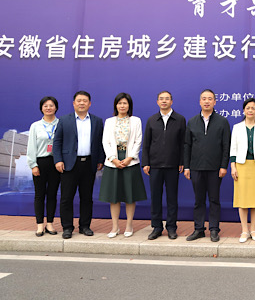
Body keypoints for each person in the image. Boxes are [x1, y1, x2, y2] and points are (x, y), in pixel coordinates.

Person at [53, 90, 105, 239]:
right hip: (69, 164)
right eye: (79, 100)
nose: (82, 103)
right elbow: (57, 142)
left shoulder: (97, 121)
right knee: (66, 198)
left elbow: (100, 142)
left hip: (89, 163)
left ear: (90, 103)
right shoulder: (64, 120)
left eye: (85, 101)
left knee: (87, 197)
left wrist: (100, 159)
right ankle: (67, 227)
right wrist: (58, 160)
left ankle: (85, 226)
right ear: (74, 103)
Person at [184, 89, 231, 242]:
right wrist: (187, 166)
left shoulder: (222, 121)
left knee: (214, 200)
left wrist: (224, 166)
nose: (206, 101)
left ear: (215, 102)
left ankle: (214, 229)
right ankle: (198, 229)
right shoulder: (192, 122)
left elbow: (226, 146)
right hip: (196, 167)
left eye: (210, 99)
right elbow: (187, 145)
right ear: (200, 102)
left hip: (215, 168)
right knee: (198, 200)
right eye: (204, 99)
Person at [99, 93, 146, 238]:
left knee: (130, 195)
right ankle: (115, 227)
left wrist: (130, 158)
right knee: (114, 196)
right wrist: (113, 159)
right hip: (113, 161)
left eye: (125, 103)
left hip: (130, 160)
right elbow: (105, 141)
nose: (122, 106)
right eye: (120, 103)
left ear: (129, 105)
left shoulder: (136, 121)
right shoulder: (109, 121)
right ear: (116, 105)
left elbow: (138, 140)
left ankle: (129, 225)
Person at [142, 90, 186, 240]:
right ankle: (157, 227)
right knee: (155, 197)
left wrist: (182, 161)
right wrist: (146, 162)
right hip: (155, 165)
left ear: (171, 101)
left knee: (172, 198)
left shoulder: (179, 119)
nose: (164, 101)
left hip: (173, 165)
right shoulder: (152, 120)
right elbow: (146, 143)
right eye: (161, 99)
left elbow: (183, 143)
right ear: (157, 102)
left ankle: (172, 227)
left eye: (167, 99)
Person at [229, 98, 255, 243]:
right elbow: (233, 148)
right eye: (248, 108)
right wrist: (233, 166)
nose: (250, 110)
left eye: (253, 108)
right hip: (241, 165)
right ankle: (244, 230)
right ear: (243, 110)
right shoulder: (237, 127)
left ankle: (253, 229)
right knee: (242, 199)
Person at [26, 96, 61, 237]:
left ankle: (50, 224)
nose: (48, 108)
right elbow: (31, 146)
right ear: (41, 108)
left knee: (52, 194)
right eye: (45, 106)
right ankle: (40, 225)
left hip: (56, 163)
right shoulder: (35, 126)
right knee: (39, 195)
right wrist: (33, 165)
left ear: (56, 108)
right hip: (40, 163)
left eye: (51, 105)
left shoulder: (61, 124)